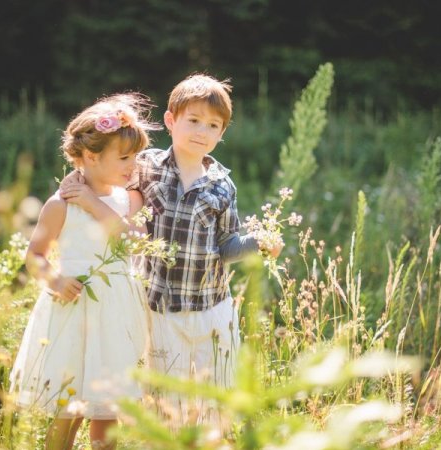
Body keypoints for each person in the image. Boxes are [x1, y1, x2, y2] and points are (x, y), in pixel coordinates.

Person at [60, 74, 282, 427]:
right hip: (159, 307)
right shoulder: (145, 166)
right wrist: (77, 183)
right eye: (193, 120)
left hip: (210, 306)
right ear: (170, 120)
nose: (202, 132)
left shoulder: (223, 184)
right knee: (168, 402)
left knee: (213, 402)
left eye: (213, 125)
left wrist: (259, 244)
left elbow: (226, 245)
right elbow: (107, 182)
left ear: (222, 133)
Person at [9, 93, 159, 450]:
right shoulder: (60, 205)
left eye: (135, 157)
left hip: (116, 312)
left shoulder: (129, 199)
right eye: (124, 158)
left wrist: (92, 204)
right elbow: (35, 256)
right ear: (91, 156)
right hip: (73, 311)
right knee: (69, 404)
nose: (133, 165)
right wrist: (55, 280)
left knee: (106, 408)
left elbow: (135, 240)